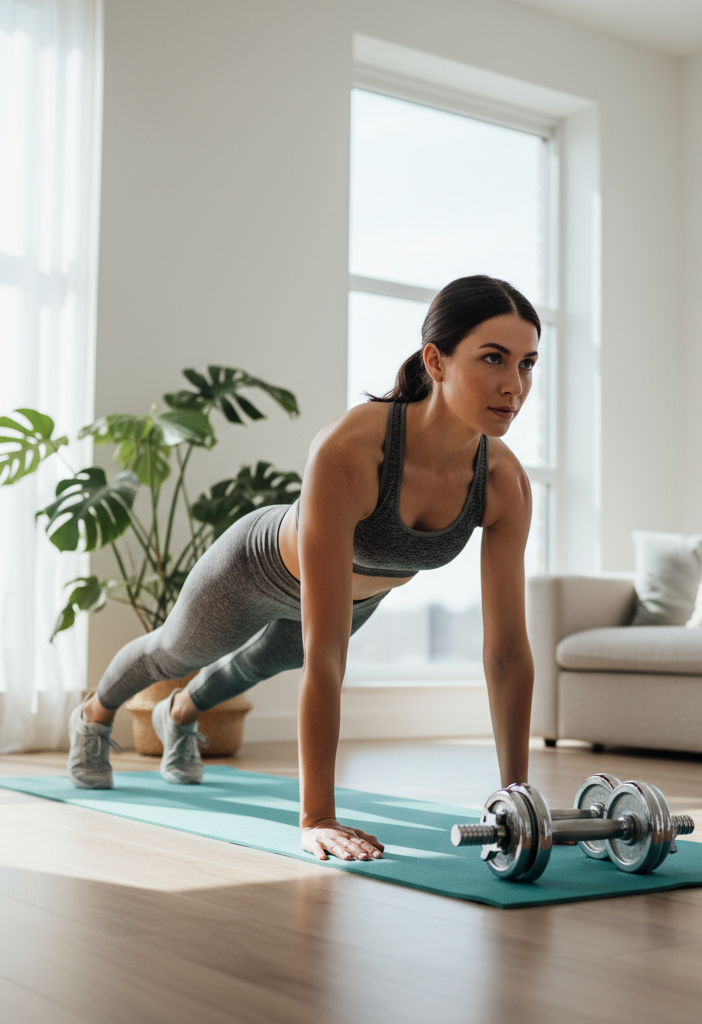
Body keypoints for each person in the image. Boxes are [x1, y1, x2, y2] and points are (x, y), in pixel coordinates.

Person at [68, 275, 539, 864]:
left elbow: (507, 653)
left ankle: (180, 714)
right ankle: (92, 716)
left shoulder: (503, 481)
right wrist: (317, 818)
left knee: (259, 662)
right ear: (435, 361)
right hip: (255, 568)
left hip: (359, 596)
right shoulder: (354, 447)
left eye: (527, 364)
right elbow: (326, 655)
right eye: (493, 358)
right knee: (175, 652)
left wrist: (517, 799)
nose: (514, 385)